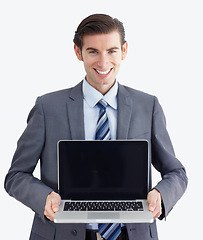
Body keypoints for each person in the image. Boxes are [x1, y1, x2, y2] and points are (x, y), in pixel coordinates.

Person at [5, 14, 188, 240]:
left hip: (132, 234)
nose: (103, 63)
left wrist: (161, 194)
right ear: (78, 52)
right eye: (93, 51)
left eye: (111, 51)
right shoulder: (47, 108)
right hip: (61, 234)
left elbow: (176, 173)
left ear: (124, 51)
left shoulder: (148, 106)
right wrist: (43, 198)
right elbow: (16, 176)